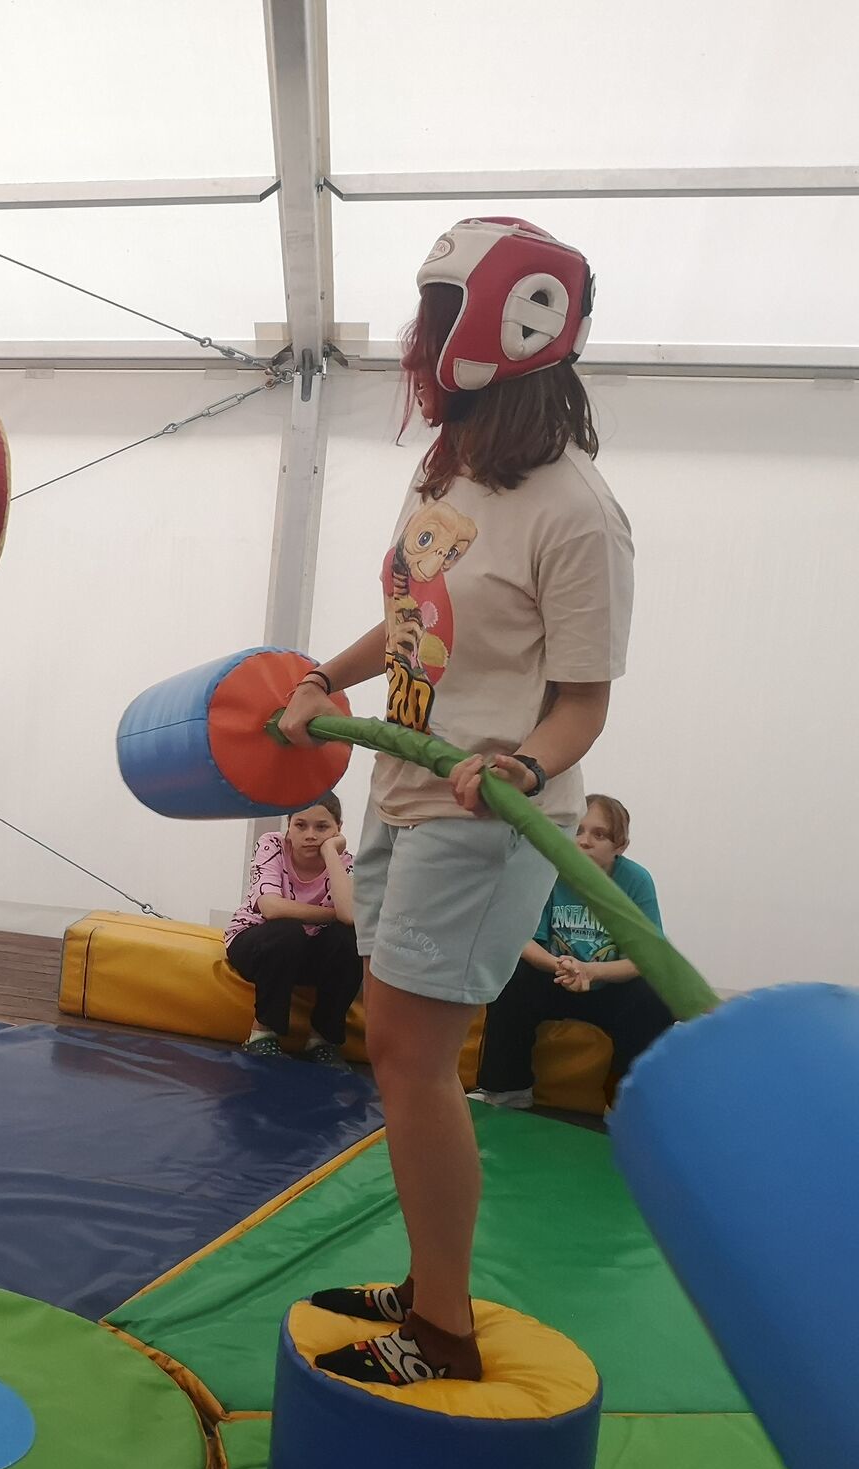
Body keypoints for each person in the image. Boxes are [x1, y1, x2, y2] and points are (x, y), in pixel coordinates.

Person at [277, 218, 633, 1384]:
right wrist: (323, 676)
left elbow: (580, 703)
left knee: (409, 1055)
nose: (415, 342)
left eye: (435, 318)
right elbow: (409, 619)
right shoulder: (452, 469)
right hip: (399, 789)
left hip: (480, 820)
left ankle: (440, 1327)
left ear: (504, 330)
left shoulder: (576, 512)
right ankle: (430, 1282)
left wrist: (521, 765)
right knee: (396, 1053)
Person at [472, 795, 672, 1106]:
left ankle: (626, 1103)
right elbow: (522, 939)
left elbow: (647, 957)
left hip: (607, 988)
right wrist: (558, 965)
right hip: (557, 979)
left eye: (599, 834)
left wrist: (593, 971)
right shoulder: (548, 872)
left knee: (656, 994)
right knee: (511, 976)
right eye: (578, 830)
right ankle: (507, 1089)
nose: (584, 841)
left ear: (620, 846)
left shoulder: (635, 881)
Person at [223, 795, 359, 1068]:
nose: (310, 835)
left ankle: (322, 1040)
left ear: (338, 829)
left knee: (349, 938)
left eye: (322, 827)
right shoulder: (272, 845)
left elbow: (350, 916)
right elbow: (271, 908)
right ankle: (262, 1033)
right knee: (287, 931)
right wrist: (331, 915)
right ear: (288, 825)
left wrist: (331, 853)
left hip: (307, 954)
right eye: (300, 825)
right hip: (260, 943)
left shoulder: (345, 863)